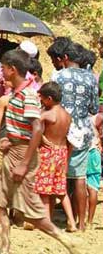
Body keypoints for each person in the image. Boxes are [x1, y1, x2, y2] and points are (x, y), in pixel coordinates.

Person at [0, 50, 78, 253]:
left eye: (3, 68)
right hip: (15, 151)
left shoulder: (27, 95)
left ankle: (63, 238)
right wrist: (9, 141)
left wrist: (23, 162)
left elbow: (36, 128)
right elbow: (26, 129)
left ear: (12, 70)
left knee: (31, 212)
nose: (1, 72)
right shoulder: (19, 93)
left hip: (21, 156)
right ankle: (4, 247)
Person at [53, 42, 98, 231]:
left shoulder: (58, 76)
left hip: (63, 130)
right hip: (84, 130)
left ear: (65, 58)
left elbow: (53, 102)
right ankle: (81, 223)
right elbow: (94, 108)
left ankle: (57, 217)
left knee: (59, 174)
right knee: (80, 177)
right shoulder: (91, 78)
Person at [33, 82, 72, 220]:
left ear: (49, 99)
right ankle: (71, 222)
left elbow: (34, 127)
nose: (41, 101)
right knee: (61, 191)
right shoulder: (67, 115)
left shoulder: (48, 114)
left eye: (42, 98)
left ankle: (46, 220)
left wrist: (42, 137)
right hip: (62, 151)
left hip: (49, 153)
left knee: (44, 190)